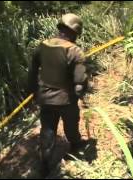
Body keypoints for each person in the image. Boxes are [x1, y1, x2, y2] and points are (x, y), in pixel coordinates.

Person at [28, 13, 90, 177]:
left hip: (45, 99)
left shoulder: (42, 46)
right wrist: (81, 97)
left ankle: (45, 163)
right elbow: (79, 85)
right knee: (71, 125)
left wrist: (34, 93)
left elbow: (32, 72)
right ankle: (76, 147)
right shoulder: (75, 51)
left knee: (48, 129)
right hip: (66, 100)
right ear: (73, 31)